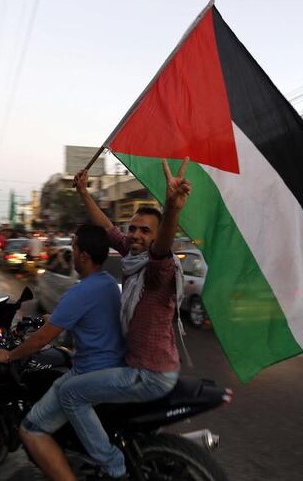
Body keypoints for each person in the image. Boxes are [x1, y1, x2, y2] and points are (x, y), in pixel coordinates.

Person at [64, 159, 191, 479]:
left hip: (148, 375)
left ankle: (111, 464)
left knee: (70, 393)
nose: (135, 234)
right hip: (141, 365)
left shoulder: (156, 270)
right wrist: (83, 192)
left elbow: (162, 250)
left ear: (156, 236)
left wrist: (172, 209)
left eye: (144, 230)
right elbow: (108, 228)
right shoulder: (134, 256)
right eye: (133, 227)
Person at [0, 225, 124, 481]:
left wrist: (8, 355)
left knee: (30, 429)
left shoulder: (79, 292)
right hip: (114, 368)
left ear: (83, 255)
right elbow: (91, 319)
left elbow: (40, 340)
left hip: (89, 373)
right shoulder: (107, 284)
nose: (70, 252)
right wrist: (55, 318)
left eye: (73, 247)